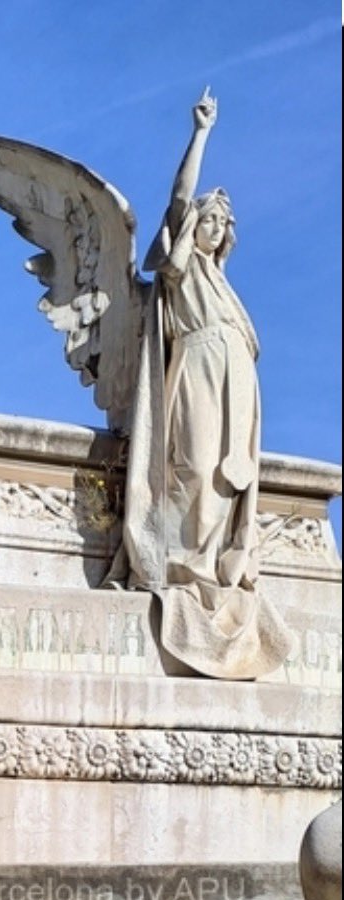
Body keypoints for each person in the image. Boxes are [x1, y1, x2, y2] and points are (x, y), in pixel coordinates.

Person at [119, 88, 294, 678]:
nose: (214, 228)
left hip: (237, 381)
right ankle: (176, 559)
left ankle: (217, 561)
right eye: (208, 219)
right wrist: (201, 133)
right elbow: (177, 198)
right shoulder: (182, 267)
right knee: (191, 465)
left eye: (222, 222)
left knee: (227, 478)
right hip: (194, 368)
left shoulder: (229, 292)